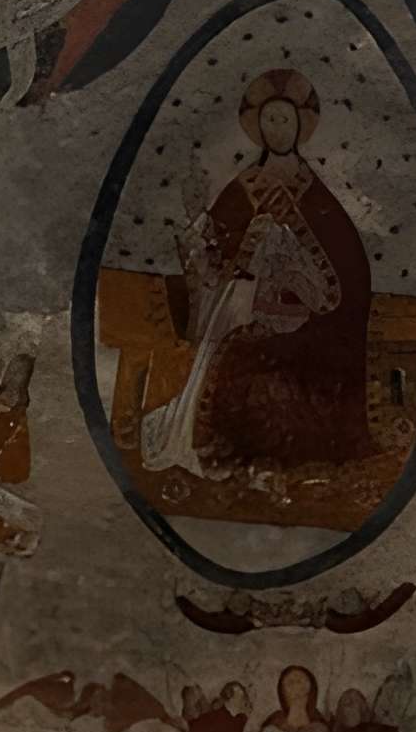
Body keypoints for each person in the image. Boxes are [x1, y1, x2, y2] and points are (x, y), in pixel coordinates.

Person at [141, 70, 377, 482]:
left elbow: (345, 267)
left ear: (302, 127)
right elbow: (212, 253)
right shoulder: (245, 186)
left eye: (285, 120)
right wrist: (196, 218)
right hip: (237, 305)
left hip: (300, 318)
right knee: (226, 353)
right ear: (258, 128)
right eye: (270, 120)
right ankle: (225, 451)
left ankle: (279, 458)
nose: (278, 128)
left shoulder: (316, 193)